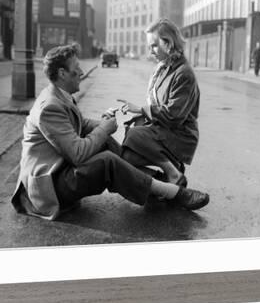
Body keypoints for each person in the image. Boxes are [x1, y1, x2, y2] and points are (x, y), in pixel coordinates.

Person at [11, 44, 209, 220]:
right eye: (76, 68)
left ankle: (157, 184)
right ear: (62, 74)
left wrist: (101, 124)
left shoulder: (59, 94)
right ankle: (174, 192)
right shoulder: (49, 107)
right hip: (48, 187)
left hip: (60, 170)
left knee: (105, 143)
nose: (81, 71)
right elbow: (77, 154)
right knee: (107, 161)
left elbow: (78, 124)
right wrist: (104, 129)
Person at [118, 18, 200, 187]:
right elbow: (157, 105)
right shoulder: (162, 68)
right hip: (164, 130)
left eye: (154, 45)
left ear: (168, 43)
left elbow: (173, 115)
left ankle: (172, 174)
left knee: (134, 135)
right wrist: (141, 117)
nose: (151, 51)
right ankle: (167, 177)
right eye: (149, 47)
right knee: (127, 157)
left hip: (180, 135)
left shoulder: (183, 73)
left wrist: (142, 110)